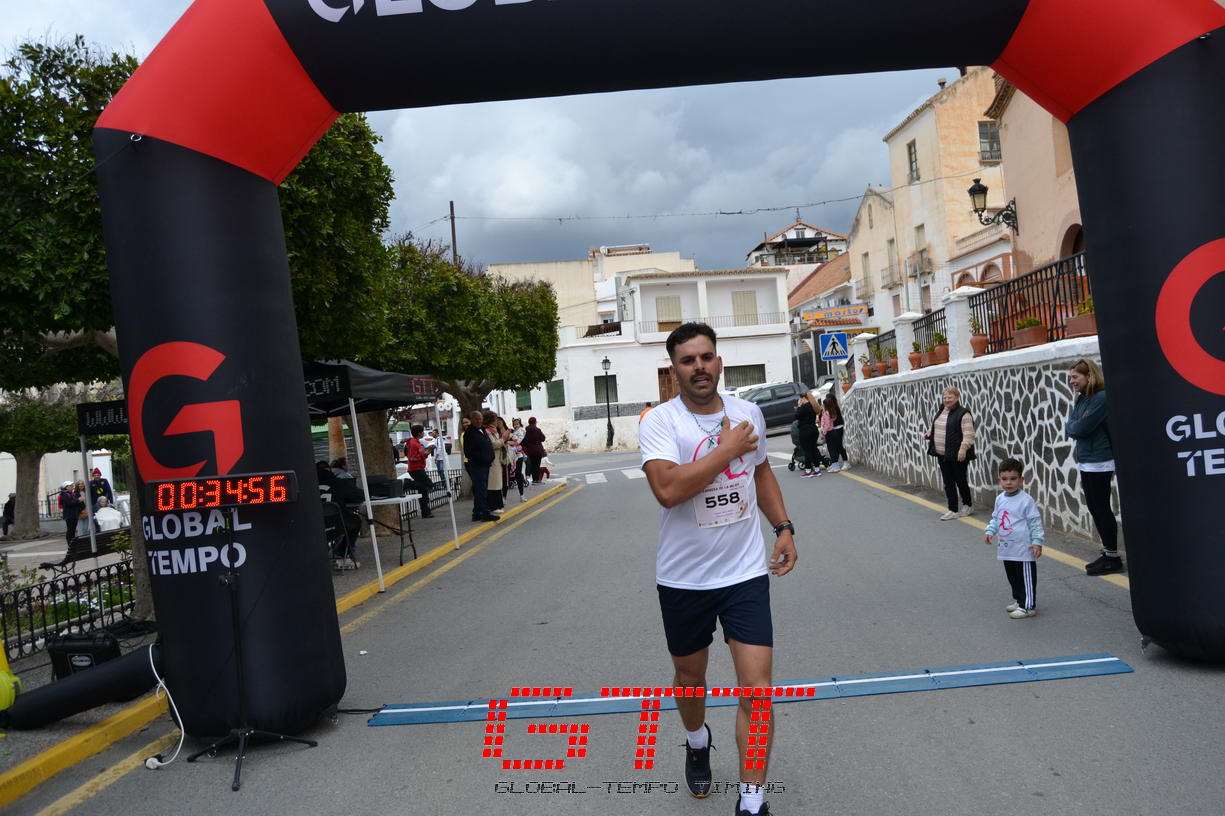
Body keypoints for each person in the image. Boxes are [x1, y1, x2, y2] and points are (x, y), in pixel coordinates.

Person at [639, 322, 798, 816]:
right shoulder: (660, 422)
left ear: (719, 362)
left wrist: (783, 526)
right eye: (688, 360)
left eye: (706, 357)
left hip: (744, 573)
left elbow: (761, 470)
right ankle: (696, 739)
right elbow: (668, 490)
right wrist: (726, 449)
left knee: (758, 691)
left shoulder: (747, 414)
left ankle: (752, 800)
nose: (700, 367)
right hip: (684, 578)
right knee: (690, 678)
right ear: (674, 370)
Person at [1066, 358, 1123, 575]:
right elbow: (1071, 426)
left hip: (1100, 461)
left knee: (1101, 508)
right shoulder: (1082, 399)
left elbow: (1080, 428)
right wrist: (1075, 425)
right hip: (1086, 461)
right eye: (1070, 377)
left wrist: (1075, 426)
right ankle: (1108, 552)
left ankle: (1113, 557)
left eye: (1075, 377)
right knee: (1094, 507)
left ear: (1089, 376)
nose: (1071, 381)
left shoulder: (1101, 398)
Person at [984, 458, 1044, 619]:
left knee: (1025, 577)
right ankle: (1019, 600)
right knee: (1013, 576)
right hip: (1007, 547)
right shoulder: (1000, 499)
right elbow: (996, 518)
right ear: (999, 480)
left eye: (1013, 478)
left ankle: (1028, 606)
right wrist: (990, 530)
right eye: (1004, 479)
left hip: (1023, 548)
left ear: (1021, 480)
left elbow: (1035, 522)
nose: (1008, 482)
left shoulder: (1026, 500)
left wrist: (1037, 542)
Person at [923, 386, 976, 520]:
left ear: (957, 398)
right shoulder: (942, 410)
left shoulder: (963, 413)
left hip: (957, 454)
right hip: (942, 454)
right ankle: (953, 509)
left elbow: (969, 434)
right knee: (948, 482)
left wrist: (963, 449)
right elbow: (936, 425)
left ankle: (968, 505)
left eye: (950, 397)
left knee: (960, 480)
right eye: (945, 397)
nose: (947, 400)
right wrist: (929, 433)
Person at [462, 411, 499, 522]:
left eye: (480, 419)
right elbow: (468, 452)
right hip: (477, 465)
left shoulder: (482, 429)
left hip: (485, 465)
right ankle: (484, 513)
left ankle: (477, 512)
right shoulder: (469, 433)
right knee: (481, 490)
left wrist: (490, 457)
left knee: (481, 489)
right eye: (476, 419)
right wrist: (483, 459)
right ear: (472, 420)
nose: (479, 421)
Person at [404, 425, 436, 519]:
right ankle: (408, 484)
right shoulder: (413, 443)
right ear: (419, 433)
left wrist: (426, 453)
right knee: (429, 485)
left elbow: (420, 455)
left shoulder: (417, 442)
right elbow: (412, 458)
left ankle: (425, 512)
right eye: (422, 432)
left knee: (423, 491)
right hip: (415, 469)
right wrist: (424, 454)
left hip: (419, 468)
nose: (424, 433)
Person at [484, 411, 507, 515]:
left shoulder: (493, 430)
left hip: (497, 460)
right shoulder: (488, 431)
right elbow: (493, 445)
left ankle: (498, 504)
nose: (497, 421)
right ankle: (494, 506)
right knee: (493, 484)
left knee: (497, 483)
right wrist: (503, 439)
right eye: (495, 419)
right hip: (492, 461)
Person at [794, 391, 823, 477]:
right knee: (814, 449)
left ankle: (808, 471)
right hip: (814, 429)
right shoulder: (813, 406)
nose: (799, 400)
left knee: (807, 451)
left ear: (803, 398)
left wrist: (799, 406)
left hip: (805, 431)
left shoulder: (804, 407)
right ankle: (817, 470)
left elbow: (797, 416)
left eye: (800, 399)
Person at [821, 393, 850, 472]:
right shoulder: (831, 408)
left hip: (837, 428)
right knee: (836, 447)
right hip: (834, 429)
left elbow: (828, 422)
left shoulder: (833, 408)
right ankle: (835, 464)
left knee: (838, 446)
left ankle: (845, 462)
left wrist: (824, 430)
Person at [522, 417, 547, 485]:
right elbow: (543, 438)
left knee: (532, 465)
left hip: (529, 451)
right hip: (537, 450)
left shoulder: (526, 431)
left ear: (529, 422)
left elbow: (524, 440)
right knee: (537, 465)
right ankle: (536, 480)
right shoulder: (537, 430)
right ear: (535, 422)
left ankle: (534, 479)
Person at [509, 417, 528, 503]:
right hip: (513, 454)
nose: (515, 426)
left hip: (518, 454)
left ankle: (522, 494)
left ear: (520, 424)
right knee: (516, 474)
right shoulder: (514, 431)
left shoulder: (521, 431)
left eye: (517, 424)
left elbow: (517, 442)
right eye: (514, 424)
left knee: (518, 473)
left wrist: (507, 442)